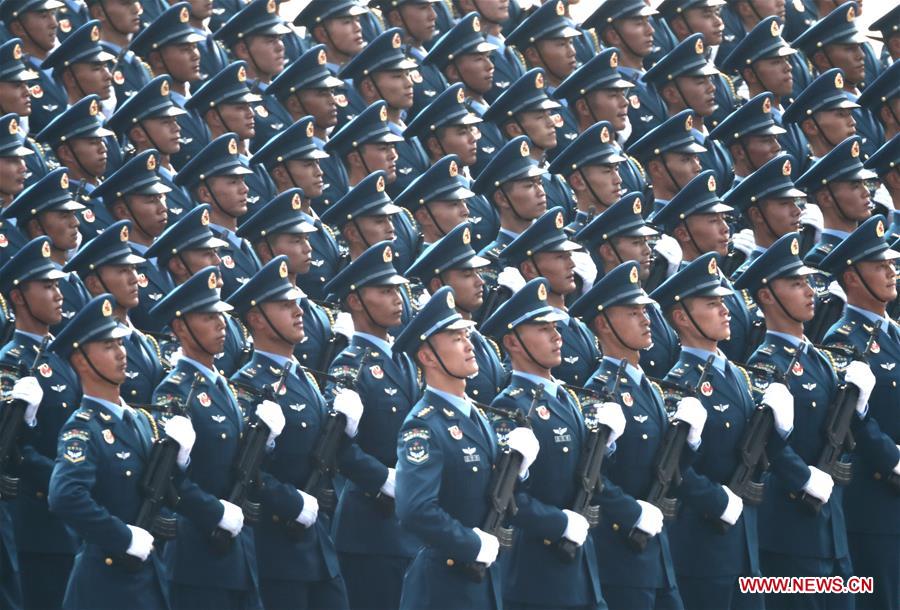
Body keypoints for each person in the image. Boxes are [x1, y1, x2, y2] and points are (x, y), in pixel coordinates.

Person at [735, 230, 882, 610]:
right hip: (791, 526)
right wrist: (803, 477)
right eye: (796, 284)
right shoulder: (767, 362)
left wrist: (860, 407)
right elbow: (761, 442)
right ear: (766, 295)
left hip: (831, 528)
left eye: (808, 283)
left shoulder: (818, 357)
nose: (809, 292)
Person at [652, 252, 792, 610]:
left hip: (744, 543)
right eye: (712, 304)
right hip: (703, 541)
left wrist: (780, 431)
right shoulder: (679, 385)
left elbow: (753, 453)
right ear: (682, 318)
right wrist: (717, 501)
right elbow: (672, 468)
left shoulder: (739, 376)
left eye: (723, 303)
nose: (725, 310)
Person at [227, 256, 362, 610]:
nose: (298, 310)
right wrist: (290, 500)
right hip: (278, 546)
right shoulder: (248, 386)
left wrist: (344, 430)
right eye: (285, 306)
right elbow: (242, 468)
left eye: (298, 302)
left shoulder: (306, 379)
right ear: (256, 318)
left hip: (319, 547)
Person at [480, 275, 623, 610]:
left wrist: (609, 445)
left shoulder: (567, 398)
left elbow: (586, 475)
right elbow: (505, 495)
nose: (557, 337)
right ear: (514, 342)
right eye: (543, 330)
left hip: (581, 571)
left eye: (556, 328)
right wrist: (559, 523)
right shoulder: (510, 405)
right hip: (537, 575)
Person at [47, 293, 196, 610]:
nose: (120, 353)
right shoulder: (83, 428)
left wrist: (180, 461)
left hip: (149, 577)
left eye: (120, 343)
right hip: (106, 581)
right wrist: (122, 537)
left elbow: (156, 485)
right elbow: (65, 496)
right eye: (108, 346)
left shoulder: (142, 420)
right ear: (80, 361)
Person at [393, 284, 538, 610]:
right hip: (443, 586)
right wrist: (470, 543)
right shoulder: (424, 424)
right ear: (427, 356)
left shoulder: (476, 415)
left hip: (479, 582)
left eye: (467, 336)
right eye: (456, 339)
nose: (469, 345)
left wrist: (518, 470)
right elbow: (414, 509)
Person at [150, 267, 284, 610]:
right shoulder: (175, 391)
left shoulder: (222, 384)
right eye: (208, 317)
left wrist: (266, 442)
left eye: (221, 316)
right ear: (180, 327)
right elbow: (165, 475)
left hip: (238, 548)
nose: (221, 325)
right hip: (198, 547)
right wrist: (213, 512)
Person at [571, 261, 699, 610]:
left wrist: (690, 444)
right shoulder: (600, 392)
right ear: (603, 324)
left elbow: (665, 468)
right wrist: (631, 513)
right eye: (632, 312)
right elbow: (590, 476)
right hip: (622, 552)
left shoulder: (652, 388)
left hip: (658, 553)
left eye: (645, 311)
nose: (646, 320)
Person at [321, 241, 423, 610]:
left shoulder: (404, 358)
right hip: (371, 526)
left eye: (397, 289)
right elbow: (336, 444)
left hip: (410, 525)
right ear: (355, 302)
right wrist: (382, 478)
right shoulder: (350, 366)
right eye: (384, 291)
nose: (397, 299)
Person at [820, 216, 900, 610]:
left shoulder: (894, 331)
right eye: (880, 266)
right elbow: (852, 418)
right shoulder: (843, 340)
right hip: (877, 500)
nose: (891, 272)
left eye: (892, 264)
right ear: (851, 278)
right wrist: (894, 460)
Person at [0, 237, 81, 610]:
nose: (58, 294)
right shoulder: (10, 361)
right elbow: (11, 447)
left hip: (70, 519)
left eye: (58, 285)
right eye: (46, 287)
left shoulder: (60, 355)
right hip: (37, 523)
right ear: (18, 297)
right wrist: (71, 482)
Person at [650, 170, 761, 362]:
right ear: (683, 234)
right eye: (713, 221)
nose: (725, 228)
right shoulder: (681, 289)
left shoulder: (721, 277)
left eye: (724, 219)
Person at [235, 188, 341, 375]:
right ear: (266, 251)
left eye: (307, 239)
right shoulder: (258, 307)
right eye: (296, 241)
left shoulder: (318, 312)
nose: (308, 248)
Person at [574, 192, 679, 378]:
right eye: (637, 243)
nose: (648, 250)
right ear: (608, 252)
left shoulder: (649, 302)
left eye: (646, 242)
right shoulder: (605, 307)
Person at [405, 222, 508, 403]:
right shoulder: (431, 344)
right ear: (438, 285)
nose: (480, 282)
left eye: (478, 273)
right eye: (468, 275)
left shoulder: (484, 342)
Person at [142, 204, 251, 377]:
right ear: (178, 265)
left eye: (216, 253)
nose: (218, 261)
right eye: (207, 254)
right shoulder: (181, 328)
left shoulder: (232, 322)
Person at [63, 220, 165, 405]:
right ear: (94, 283)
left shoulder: (145, 341)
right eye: (123, 271)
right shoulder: (92, 346)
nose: (135, 278)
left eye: (133, 269)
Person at [500, 207, 599, 386]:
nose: (572, 264)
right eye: (560, 257)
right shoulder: (529, 330)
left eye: (570, 256)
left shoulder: (580, 325)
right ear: (529, 269)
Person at [1, 168, 91, 334]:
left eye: (73, 214)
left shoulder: (72, 277)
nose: (76, 223)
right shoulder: (34, 283)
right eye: (64, 216)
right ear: (36, 227)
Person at [173, 133, 263, 298]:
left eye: (243, 180)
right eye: (233, 182)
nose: (245, 189)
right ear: (205, 194)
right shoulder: (203, 250)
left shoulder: (246, 242)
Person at [91, 150, 172, 331]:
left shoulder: (173, 257)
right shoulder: (116, 267)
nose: (162, 208)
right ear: (122, 211)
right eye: (151, 200)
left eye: (161, 198)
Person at [104, 75, 194, 222]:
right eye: (166, 122)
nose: (177, 128)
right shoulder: (134, 182)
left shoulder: (181, 174)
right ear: (138, 134)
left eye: (175, 121)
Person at [35, 95, 117, 239]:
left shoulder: (115, 190)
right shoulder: (67, 208)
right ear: (66, 153)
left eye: (102, 141)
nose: (103, 148)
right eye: (93, 142)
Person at [721, 154, 806, 282]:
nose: (797, 211)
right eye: (784, 203)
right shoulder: (747, 280)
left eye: (794, 202)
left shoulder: (801, 267)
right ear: (757, 214)